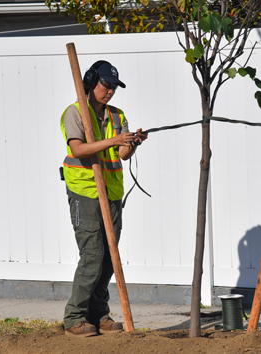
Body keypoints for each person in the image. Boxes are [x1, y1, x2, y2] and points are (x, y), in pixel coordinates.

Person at [60, 60, 147, 337]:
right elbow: (79, 149)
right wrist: (112, 142)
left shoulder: (118, 116)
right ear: (90, 82)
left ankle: (99, 314)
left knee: (109, 257)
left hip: (111, 192)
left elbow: (122, 155)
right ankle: (74, 316)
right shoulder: (74, 113)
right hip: (84, 192)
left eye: (113, 87)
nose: (109, 91)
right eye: (105, 85)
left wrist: (131, 143)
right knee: (93, 254)